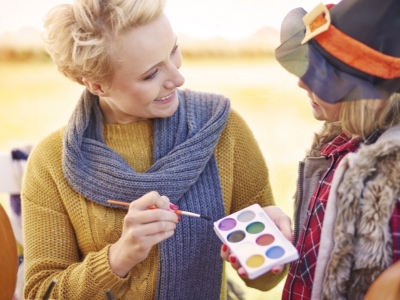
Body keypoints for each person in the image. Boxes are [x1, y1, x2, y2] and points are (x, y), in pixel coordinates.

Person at [21, 0, 291, 299]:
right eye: (151, 74)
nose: (177, 78)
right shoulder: (52, 162)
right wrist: (118, 258)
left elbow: (266, 280)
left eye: (173, 51)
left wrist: (271, 247)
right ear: (97, 85)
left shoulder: (223, 130)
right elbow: (41, 293)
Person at [274, 0, 400, 299]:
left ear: (371, 96)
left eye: (323, 74)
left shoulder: (390, 177)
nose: (302, 83)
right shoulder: (338, 146)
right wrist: (284, 252)